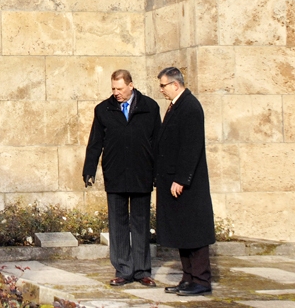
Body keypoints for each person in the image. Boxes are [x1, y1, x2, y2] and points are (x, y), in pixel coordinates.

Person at [83, 69, 161, 287]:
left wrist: (159, 173)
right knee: (117, 224)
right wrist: (89, 169)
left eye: (119, 88)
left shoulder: (150, 107)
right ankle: (123, 269)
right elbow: (95, 142)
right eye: (113, 89)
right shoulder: (103, 109)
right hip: (115, 173)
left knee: (140, 224)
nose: (116, 92)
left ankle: (142, 270)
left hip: (141, 173)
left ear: (131, 85)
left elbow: (158, 143)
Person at [155, 67, 216, 296]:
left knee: (194, 232)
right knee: (183, 232)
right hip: (174, 181)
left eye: (163, 85)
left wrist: (181, 178)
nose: (161, 90)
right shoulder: (175, 106)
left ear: (175, 85)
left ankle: (201, 279)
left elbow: (191, 146)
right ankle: (188, 277)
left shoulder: (190, 106)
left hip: (187, 185)